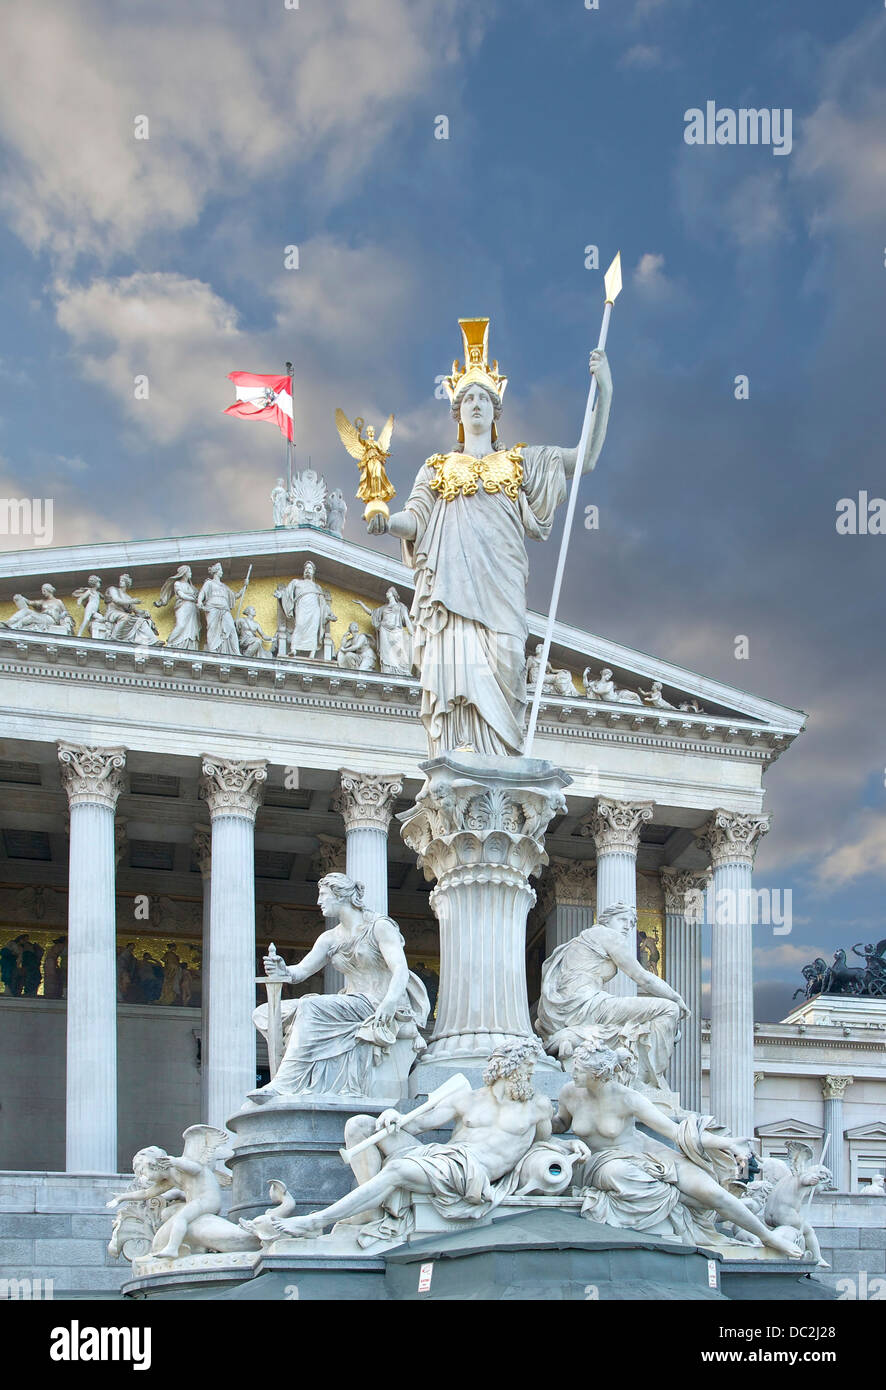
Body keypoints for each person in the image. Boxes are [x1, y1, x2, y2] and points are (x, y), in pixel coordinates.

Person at [366, 318, 612, 756]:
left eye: (483, 398)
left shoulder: (519, 464)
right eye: (467, 399)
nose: (475, 403)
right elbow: (416, 519)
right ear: (457, 412)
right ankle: (461, 755)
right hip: (452, 597)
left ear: (496, 411)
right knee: (457, 684)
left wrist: (605, 391)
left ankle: (501, 766)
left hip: (502, 594)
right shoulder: (438, 468)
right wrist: (388, 522)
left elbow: (585, 458)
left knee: (508, 669)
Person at [271, 1040, 552, 1238]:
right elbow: (419, 1124)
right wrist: (392, 1116)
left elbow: (543, 1144)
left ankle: (317, 1221)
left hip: (470, 1172)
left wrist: (568, 1146)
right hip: (443, 1157)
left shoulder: (537, 1106)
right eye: (527, 1065)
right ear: (507, 1067)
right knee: (360, 1126)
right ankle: (371, 1211)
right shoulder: (468, 1099)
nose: (531, 1072)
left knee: (397, 1169)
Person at [556, 1041, 802, 1259]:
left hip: (648, 1152)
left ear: (598, 1075)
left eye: (578, 1069)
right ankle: (687, 1202)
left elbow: (675, 1132)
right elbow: (561, 1124)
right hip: (605, 1162)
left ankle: (767, 1236)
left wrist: (726, 1143)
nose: (571, 1072)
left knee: (713, 1193)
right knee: (621, 1175)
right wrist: (538, 1120)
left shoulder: (628, 1098)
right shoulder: (569, 1093)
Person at [252, 874, 429, 1101]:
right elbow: (300, 972)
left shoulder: (379, 926)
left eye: (323, 895)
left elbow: (400, 969)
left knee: (310, 1006)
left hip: (378, 1002)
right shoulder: (329, 938)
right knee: (263, 1013)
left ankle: (285, 1082)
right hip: (352, 1002)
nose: (318, 902)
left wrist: (390, 1002)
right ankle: (308, 1079)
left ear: (340, 895)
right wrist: (282, 970)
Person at [535, 901, 687, 1094]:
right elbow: (642, 978)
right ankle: (646, 1081)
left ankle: (575, 1038)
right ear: (606, 919)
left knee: (633, 1022)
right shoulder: (607, 935)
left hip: (570, 1008)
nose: (627, 926)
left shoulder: (579, 940)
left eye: (631, 923)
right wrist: (676, 998)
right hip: (588, 1004)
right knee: (668, 1009)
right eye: (622, 919)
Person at [356, 589, 413, 675]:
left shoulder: (401, 606)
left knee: (399, 651)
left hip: (397, 631)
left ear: (393, 594)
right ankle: (388, 670)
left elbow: (407, 620)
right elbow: (372, 613)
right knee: (386, 654)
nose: (386, 593)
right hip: (384, 631)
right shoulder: (384, 608)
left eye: (388, 592)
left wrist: (412, 632)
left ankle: (402, 670)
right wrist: (362, 604)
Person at [197, 564, 244, 656]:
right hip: (212, 607)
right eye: (221, 570)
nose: (222, 572)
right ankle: (213, 649)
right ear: (216, 571)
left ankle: (236, 652)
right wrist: (199, 602)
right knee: (212, 628)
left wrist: (244, 587)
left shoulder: (224, 586)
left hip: (224, 609)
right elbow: (202, 593)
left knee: (231, 627)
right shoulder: (209, 583)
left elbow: (235, 596)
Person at [154, 566, 201, 650]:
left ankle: (189, 646)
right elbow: (181, 595)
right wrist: (192, 598)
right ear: (184, 573)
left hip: (192, 609)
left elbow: (199, 595)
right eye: (189, 572)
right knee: (181, 625)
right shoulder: (178, 583)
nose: (191, 573)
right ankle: (171, 643)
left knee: (192, 628)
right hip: (183, 606)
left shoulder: (192, 587)